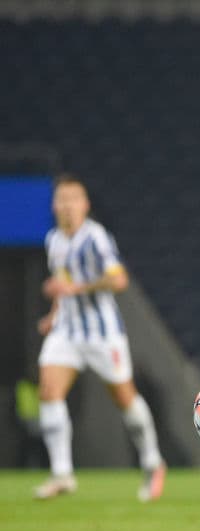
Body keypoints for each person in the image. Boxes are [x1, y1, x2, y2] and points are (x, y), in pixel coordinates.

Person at [34, 174, 166, 502]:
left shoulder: (95, 238)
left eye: (73, 200)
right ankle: (62, 473)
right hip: (67, 330)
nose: (67, 206)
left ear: (85, 204)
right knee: (49, 390)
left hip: (102, 333)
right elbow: (61, 281)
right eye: (61, 200)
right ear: (54, 205)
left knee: (125, 399)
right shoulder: (54, 240)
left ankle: (152, 461)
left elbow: (118, 279)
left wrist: (76, 288)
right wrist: (53, 315)